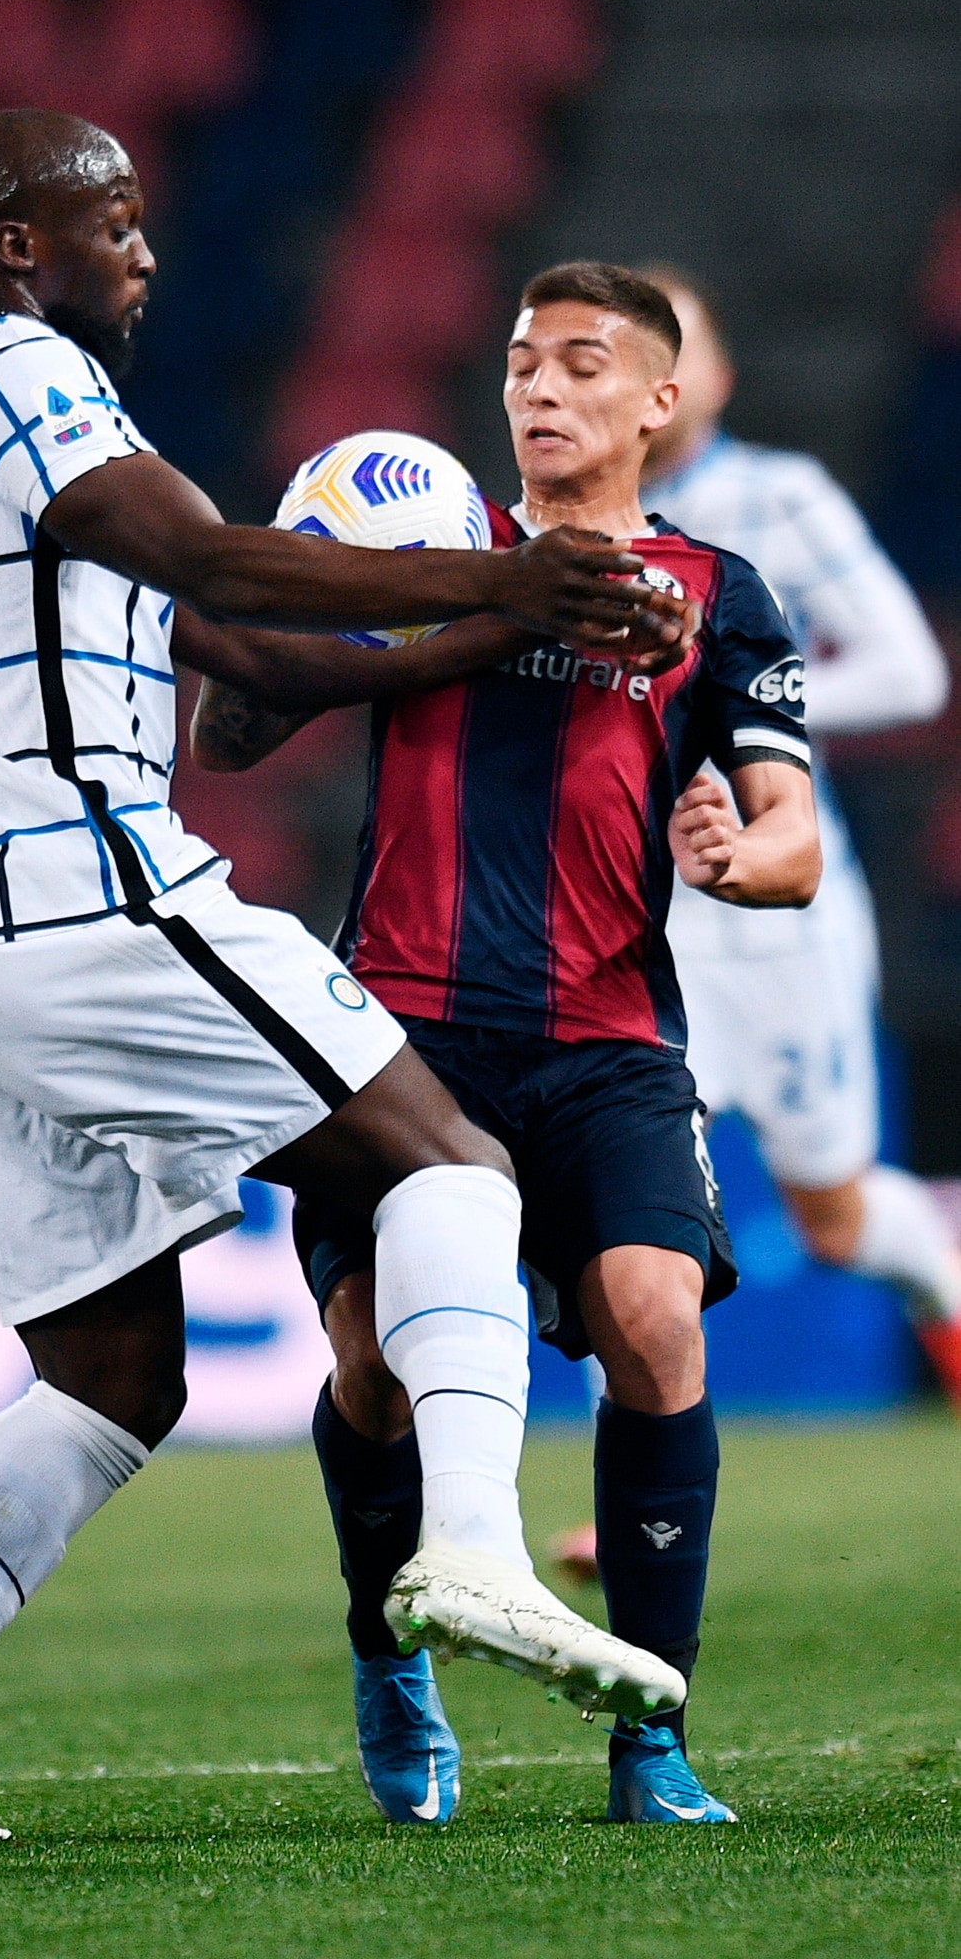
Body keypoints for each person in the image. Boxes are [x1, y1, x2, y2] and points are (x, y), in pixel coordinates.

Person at [0, 117, 694, 1848]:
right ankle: (472, 1547)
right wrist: (504, 569)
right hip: (74, 879)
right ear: (17, 246)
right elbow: (213, 561)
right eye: (111, 222)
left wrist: (530, 625)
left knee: (113, 1380)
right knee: (450, 1161)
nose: (143, 251)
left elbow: (246, 655)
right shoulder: (0, 367)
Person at [190, 261, 821, 1828]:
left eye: (582, 364)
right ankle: (385, 1650)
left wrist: (737, 860)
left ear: (658, 401)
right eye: (525, 362)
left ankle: (650, 1732)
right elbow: (233, 733)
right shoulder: (425, 541)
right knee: (372, 1366)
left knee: (653, 1325)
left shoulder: (713, 592)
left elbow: (792, 833)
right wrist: (315, 587)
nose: (540, 387)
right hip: (400, 1035)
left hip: (607, 1035)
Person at [644, 267, 961, 1387]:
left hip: (779, 913)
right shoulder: (553, 529)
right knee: (622, 1198)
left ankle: (948, 1296)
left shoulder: (777, 498)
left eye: (677, 348)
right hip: (633, 915)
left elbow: (911, 673)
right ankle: (629, 1459)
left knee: (834, 1218)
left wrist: (745, 705)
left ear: (718, 376)